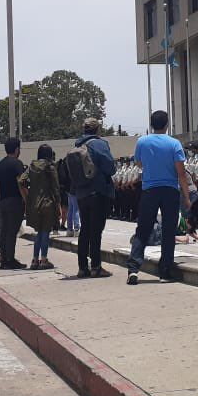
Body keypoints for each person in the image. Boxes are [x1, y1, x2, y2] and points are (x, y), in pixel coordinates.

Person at [127, 110, 190, 285]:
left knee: (143, 229)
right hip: (170, 190)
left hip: (149, 190)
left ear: (152, 124)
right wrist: (186, 196)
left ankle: (133, 269)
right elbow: (181, 172)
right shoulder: (174, 143)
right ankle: (165, 272)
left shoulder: (142, 142)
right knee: (169, 231)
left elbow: (139, 163)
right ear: (167, 124)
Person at [71, 117, 116, 278]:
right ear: (98, 129)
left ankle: (82, 267)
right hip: (98, 192)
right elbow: (111, 168)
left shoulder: (77, 145)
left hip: (82, 193)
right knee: (96, 231)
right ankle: (96, 266)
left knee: (85, 230)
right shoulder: (99, 144)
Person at [20, 144, 60, 270]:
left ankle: (34, 260)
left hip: (34, 204)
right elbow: (56, 187)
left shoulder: (31, 166)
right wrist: (58, 204)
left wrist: (28, 197)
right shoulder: (50, 166)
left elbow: (21, 181)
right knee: (45, 232)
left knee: (38, 233)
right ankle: (44, 260)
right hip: (48, 203)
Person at [0, 138, 27, 270]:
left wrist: (2, 197)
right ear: (17, 149)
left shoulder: (0, 165)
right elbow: (21, 183)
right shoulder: (17, 164)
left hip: (3, 200)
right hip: (15, 200)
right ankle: (10, 259)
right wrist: (26, 199)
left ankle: (4, 259)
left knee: (4, 230)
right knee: (12, 231)